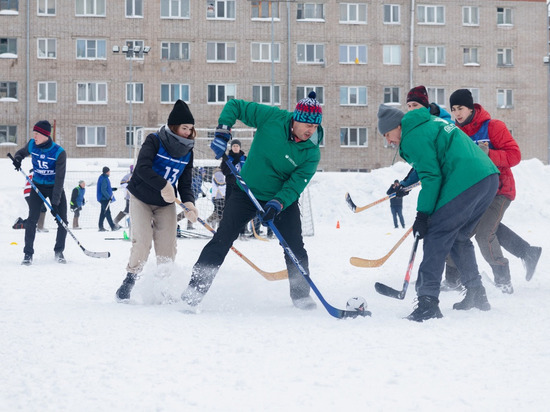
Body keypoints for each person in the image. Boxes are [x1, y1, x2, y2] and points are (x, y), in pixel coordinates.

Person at [181, 91, 324, 311]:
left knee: (295, 247)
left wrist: (277, 203)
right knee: (222, 239)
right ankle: (195, 289)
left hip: (280, 200)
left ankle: (301, 295)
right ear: (295, 118)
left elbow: (295, 185)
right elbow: (235, 105)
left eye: (314, 127)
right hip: (245, 193)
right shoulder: (272, 117)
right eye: (306, 124)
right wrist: (222, 132)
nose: (310, 130)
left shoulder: (311, 152)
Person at [377, 104, 499, 322]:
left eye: (388, 134)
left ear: (397, 126)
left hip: (465, 180)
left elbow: (432, 178)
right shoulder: (427, 124)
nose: (389, 140)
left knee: (436, 235)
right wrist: (404, 186)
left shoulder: (413, 136)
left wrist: (422, 215)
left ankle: (427, 302)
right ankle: (476, 294)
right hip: (487, 178)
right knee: (459, 237)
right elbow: (430, 166)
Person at [448, 89, 542, 293]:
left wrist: (489, 153)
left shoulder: (493, 127)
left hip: (499, 190)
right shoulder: (455, 133)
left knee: (484, 234)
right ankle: (528, 252)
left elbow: (515, 155)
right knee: (461, 232)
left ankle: (503, 280)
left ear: (471, 107)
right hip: (474, 195)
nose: (457, 113)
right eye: (453, 109)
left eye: (461, 108)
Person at [115, 99, 199, 300]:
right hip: (142, 198)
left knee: (168, 246)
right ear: (174, 126)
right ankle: (130, 280)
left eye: (190, 129)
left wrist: (189, 204)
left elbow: (185, 183)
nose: (188, 132)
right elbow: (142, 168)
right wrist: (164, 185)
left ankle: (163, 285)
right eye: (184, 127)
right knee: (142, 242)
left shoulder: (188, 151)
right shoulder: (154, 140)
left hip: (166, 204)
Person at [12, 120, 68, 265]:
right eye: (34, 133)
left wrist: (55, 203)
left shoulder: (59, 152)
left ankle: (59, 251)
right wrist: (17, 159)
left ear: (45, 135)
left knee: (62, 220)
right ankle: (28, 254)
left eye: (37, 134)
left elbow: (60, 179)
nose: (34, 136)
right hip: (37, 186)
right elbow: (21, 153)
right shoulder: (32, 144)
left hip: (55, 187)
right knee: (32, 220)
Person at [96, 166, 119, 232]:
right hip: (104, 199)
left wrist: (111, 189)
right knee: (107, 212)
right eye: (109, 171)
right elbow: (103, 190)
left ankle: (100, 226)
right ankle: (112, 226)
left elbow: (105, 188)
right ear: (107, 172)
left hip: (103, 198)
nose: (109, 172)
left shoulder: (102, 177)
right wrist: (108, 197)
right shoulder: (104, 179)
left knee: (103, 213)